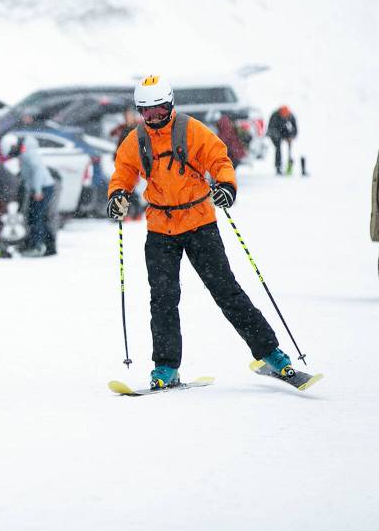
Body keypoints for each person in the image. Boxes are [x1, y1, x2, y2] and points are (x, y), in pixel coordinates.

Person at [107, 74, 297, 390]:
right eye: (147, 111)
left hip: (200, 224)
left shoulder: (190, 130)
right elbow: (122, 174)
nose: (153, 117)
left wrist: (226, 186)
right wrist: (117, 196)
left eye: (158, 109)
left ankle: (272, 355)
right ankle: (166, 367)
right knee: (163, 299)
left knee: (226, 291)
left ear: (170, 105)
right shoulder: (136, 140)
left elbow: (219, 159)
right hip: (160, 230)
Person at [2, 134, 56, 257]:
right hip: (39, 187)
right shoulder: (25, 151)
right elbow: (28, 171)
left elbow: (37, 170)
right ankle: (49, 246)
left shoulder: (27, 153)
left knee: (36, 217)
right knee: (37, 216)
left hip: (42, 188)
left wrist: (37, 190)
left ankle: (37, 246)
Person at [267, 105, 298, 175]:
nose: (285, 117)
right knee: (278, 148)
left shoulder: (291, 116)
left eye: (286, 116)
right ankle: (278, 167)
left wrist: (291, 136)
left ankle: (289, 164)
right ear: (280, 113)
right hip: (274, 132)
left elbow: (295, 129)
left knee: (290, 148)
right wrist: (280, 137)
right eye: (283, 116)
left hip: (283, 130)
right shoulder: (274, 116)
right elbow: (271, 129)